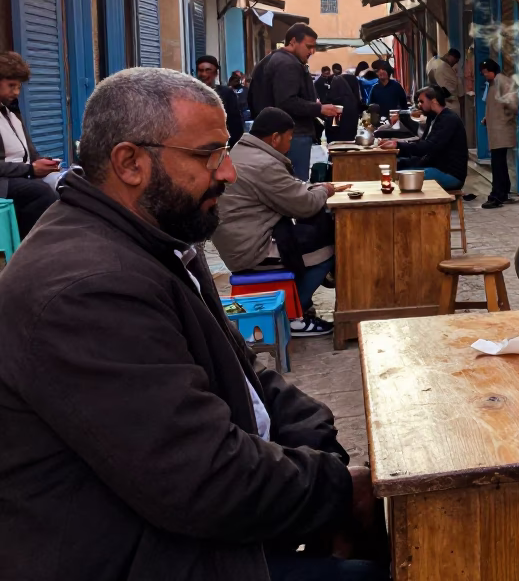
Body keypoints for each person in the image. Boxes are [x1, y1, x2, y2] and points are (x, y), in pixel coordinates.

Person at [0, 67, 382, 581]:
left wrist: (324, 452)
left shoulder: (156, 235)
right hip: (138, 555)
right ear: (130, 163)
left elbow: (247, 377)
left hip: (191, 531)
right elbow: (203, 480)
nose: (228, 172)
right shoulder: (86, 289)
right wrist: (338, 487)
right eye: (209, 155)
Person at [214, 107, 344, 337]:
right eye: (289, 138)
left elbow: (289, 193)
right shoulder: (264, 163)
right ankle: (294, 314)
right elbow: (303, 204)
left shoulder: (242, 152)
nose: (290, 144)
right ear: (275, 138)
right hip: (253, 249)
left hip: (241, 241)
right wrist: (325, 190)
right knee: (331, 246)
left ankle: (298, 302)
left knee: (314, 230)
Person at [248, 23, 341, 180]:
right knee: (295, 185)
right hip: (293, 135)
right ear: (293, 42)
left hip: (281, 134)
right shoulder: (287, 63)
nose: (312, 52)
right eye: (309, 46)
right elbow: (287, 102)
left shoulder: (275, 59)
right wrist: (319, 109)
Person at [0, 51, 59, 237]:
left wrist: (44, 163)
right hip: (5, 182)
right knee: (40, 193)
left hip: (23, 176)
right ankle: (32, 246)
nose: (16, 92)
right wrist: (31, 170)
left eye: (18, 87)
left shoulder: (11, 113)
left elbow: (30, 153)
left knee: (69, 183)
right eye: (11, 86)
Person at [379, 86, 467, 191]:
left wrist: (398, 145)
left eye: (422, 101)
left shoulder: (448, 119)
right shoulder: (434, 118)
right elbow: (424, 146)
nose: (419, 105)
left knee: (402, 177)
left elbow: (429, 146)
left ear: (433, 101)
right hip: (436, 167)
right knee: (396, 166)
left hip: (450, 174)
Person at [479, 58, 518, 208]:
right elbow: (496, 106)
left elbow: (512, 105)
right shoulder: (493, 83)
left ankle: (497, 195)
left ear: (493, 70)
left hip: (501, 129)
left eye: (486, 72)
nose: (485, 75)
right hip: (496, 128)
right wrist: (488, 118)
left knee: (498, 164)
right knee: (499, 162)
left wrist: (504, 118)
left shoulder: (502, 81)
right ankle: (503, 192)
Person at [197, 55, 245, 147]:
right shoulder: (190, 93)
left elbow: (235, 124)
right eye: (201, 70)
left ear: (215, 73)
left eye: (208, 70)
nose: (204, 74)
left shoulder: (226, 93)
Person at [425, 48, 463, 114]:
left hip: (445, 102)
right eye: (455, 61)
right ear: (450, 56)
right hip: (447, 102)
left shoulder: (438, 64)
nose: (455, 63)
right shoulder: (441, 66)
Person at [315, 66, 334, 143]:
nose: (327, 75)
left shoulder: (328, 80)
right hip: (322, 105)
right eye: (326, 73)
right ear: (322, 72)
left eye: (328, 73)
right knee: (321, 124)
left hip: (327, 104)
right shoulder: (318, 82)